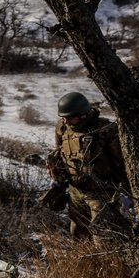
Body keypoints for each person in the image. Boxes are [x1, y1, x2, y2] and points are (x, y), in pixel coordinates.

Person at [44, 92, 131, 243]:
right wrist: (58, 179)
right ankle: (85, 263)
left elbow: (123, 163)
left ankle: (109, 265)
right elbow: (60, 152)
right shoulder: (63, 127)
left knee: (103, 237)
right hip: (75, 190)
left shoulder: (106, 130)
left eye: (70, 117)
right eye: (63, 117)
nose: (66, 120)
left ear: (83, 114)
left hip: (102, 193)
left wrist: (128, 192)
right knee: (78, 233)